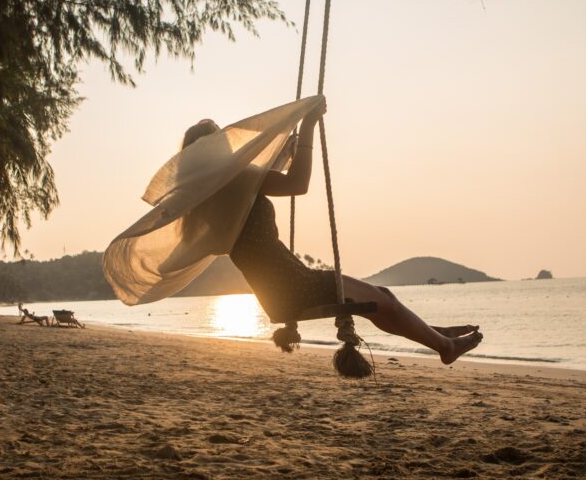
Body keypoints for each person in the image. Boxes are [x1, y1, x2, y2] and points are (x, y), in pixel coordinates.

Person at [181, 102, 483, 365]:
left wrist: (288, 152)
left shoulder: (210, 198)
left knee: (384, 297)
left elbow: (260, 186)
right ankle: (445, 347)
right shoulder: (238, 182)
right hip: (293, 284)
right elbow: (297, 183)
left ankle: (433, 334)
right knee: (383, 300)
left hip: (277, 290)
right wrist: (309, 126)